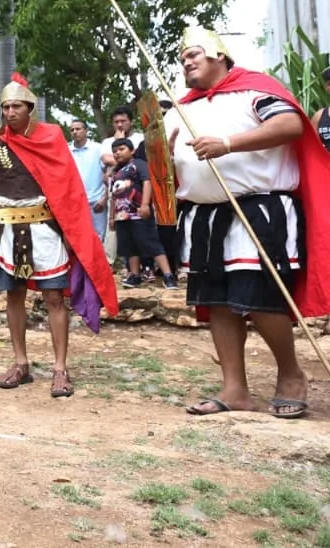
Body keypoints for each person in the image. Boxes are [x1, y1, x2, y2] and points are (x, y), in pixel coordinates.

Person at [170, 28, 330, 418]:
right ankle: (235, 389)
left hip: (256, 210)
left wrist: (227, 144)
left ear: (220, 56)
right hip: (204, 215)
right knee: (218, 302)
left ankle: (291, 376)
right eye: (182, 58)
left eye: (194, 54)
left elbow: (290, 125)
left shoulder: (255, 89)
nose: (186, 62)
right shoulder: (181, 107)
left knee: (261, 298)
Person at [0, 74, 118, 398]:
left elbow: (67, 186)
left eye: (16, 106)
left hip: (45, 229)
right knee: (14, 296)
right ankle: (20, 364)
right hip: (7, 230)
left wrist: (70, 231)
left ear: (30, 108)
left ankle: (60, 369)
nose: (9, 112)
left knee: (54, 297)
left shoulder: (51, 137)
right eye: (5, 106)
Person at [109, 138, 177, 289]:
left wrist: (145, 204)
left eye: (121, 149)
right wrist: (111, 217)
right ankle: (134, 275)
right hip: (121, 216)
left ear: (132, 151)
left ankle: (168, 275)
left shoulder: (138, 164)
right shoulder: (116, 172)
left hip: (138, 212)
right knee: (129, 247)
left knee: (151, 243)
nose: (117, 153)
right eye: (114, 151)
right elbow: (113, 195)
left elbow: (147, 182)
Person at [68, 120, 108, 240]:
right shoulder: (66, 151)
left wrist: (104, 198)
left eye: (78, 129)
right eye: (72, 130)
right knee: (79, 237)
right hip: (75, 202)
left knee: (99, 236)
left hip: (96, 201)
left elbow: (109, 174)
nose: (75, 132)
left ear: (86, 131)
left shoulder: (98, 148)